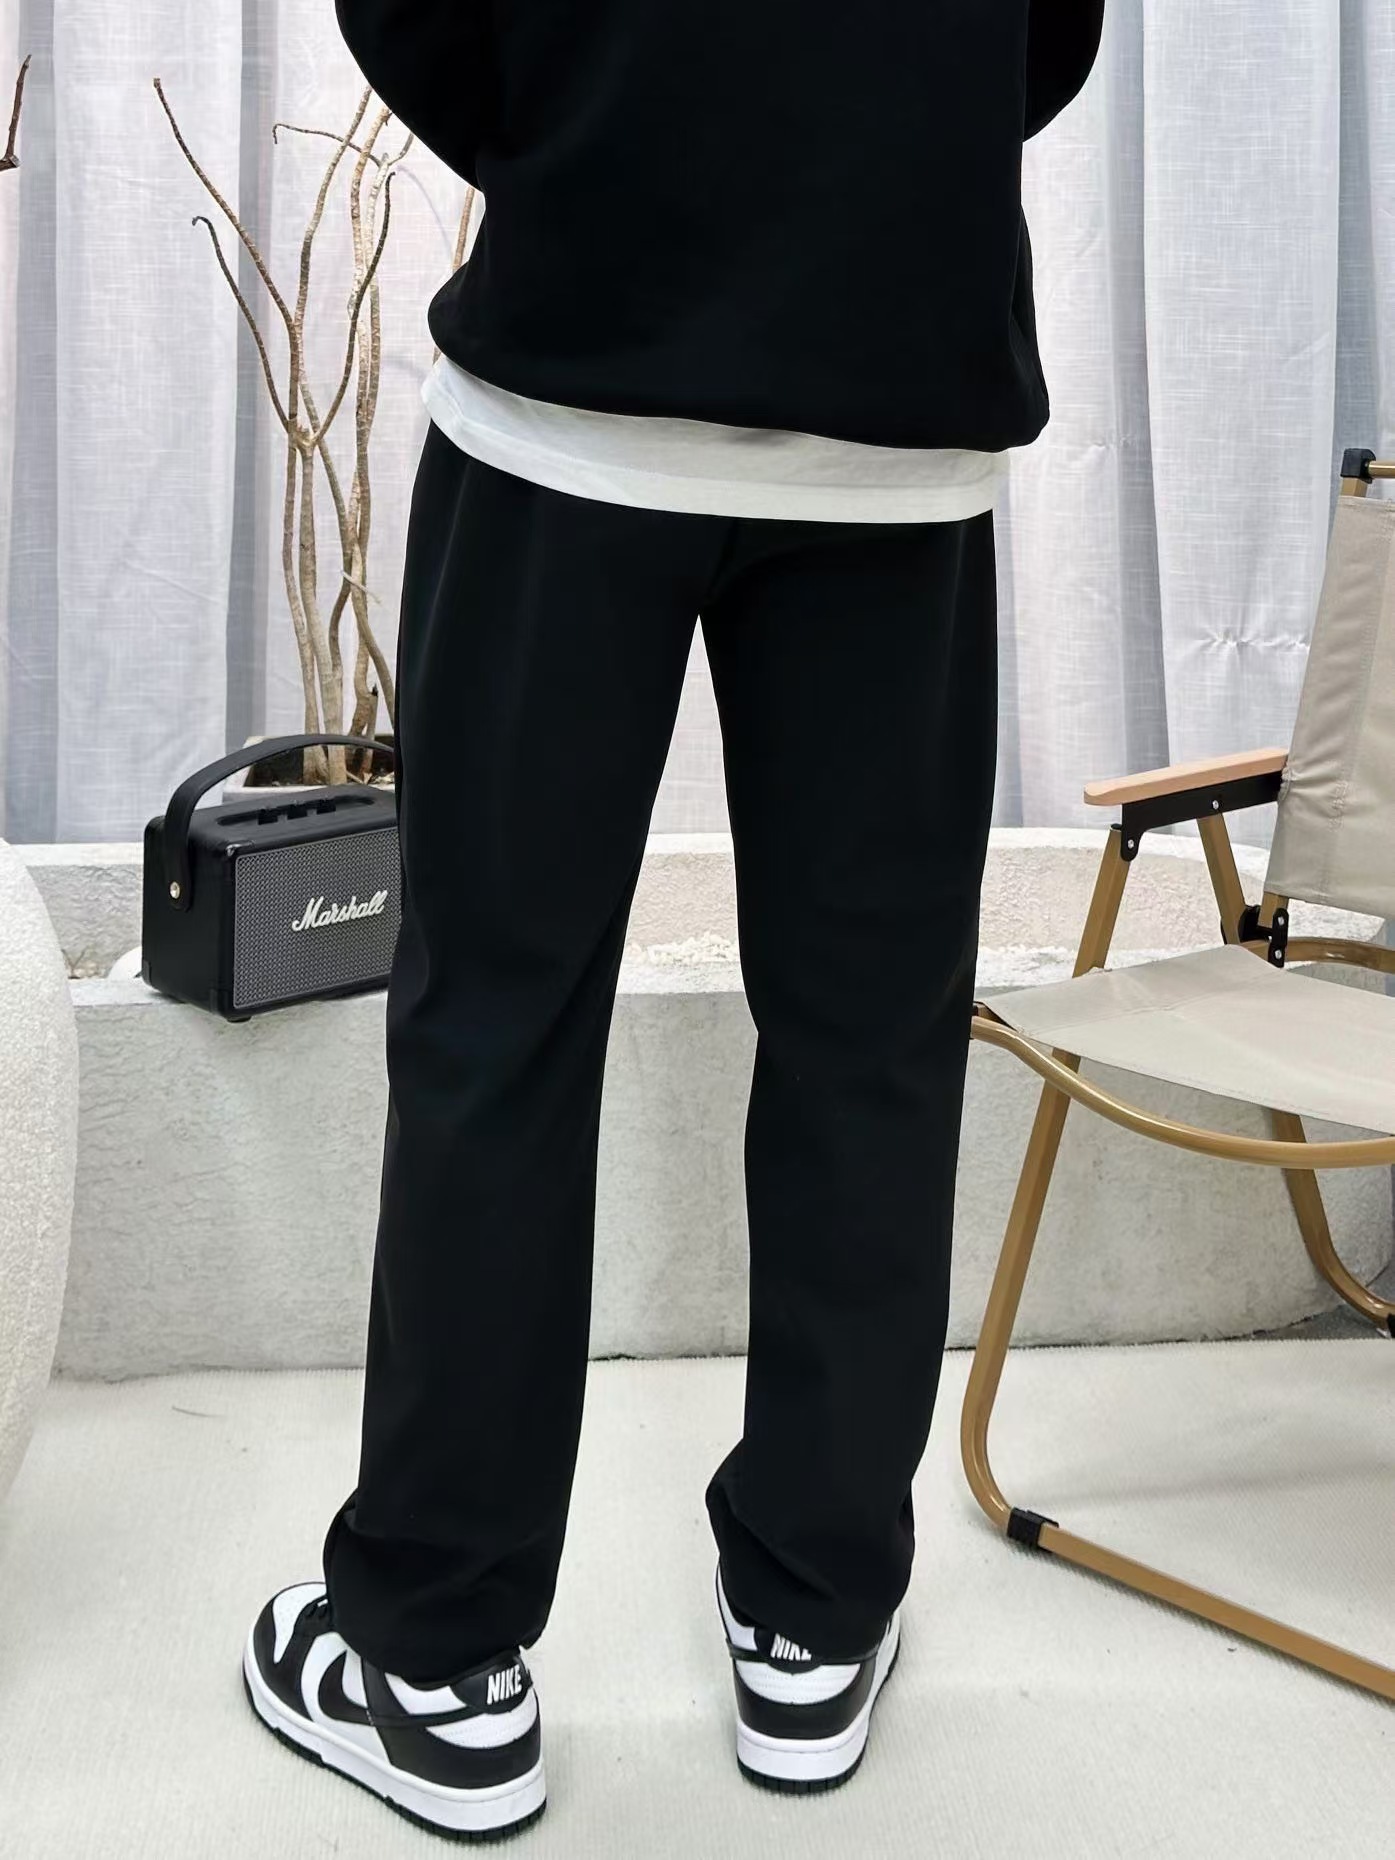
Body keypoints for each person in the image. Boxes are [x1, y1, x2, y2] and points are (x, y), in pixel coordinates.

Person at [240, 0, 1106, 1838]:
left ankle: (438, 1657)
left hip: (582, 380)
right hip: (894, 388)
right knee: (869, 1041)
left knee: (495, 1029)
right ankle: (813, 1617)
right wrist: (872, 146)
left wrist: (596, 130)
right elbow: (1046, 31)